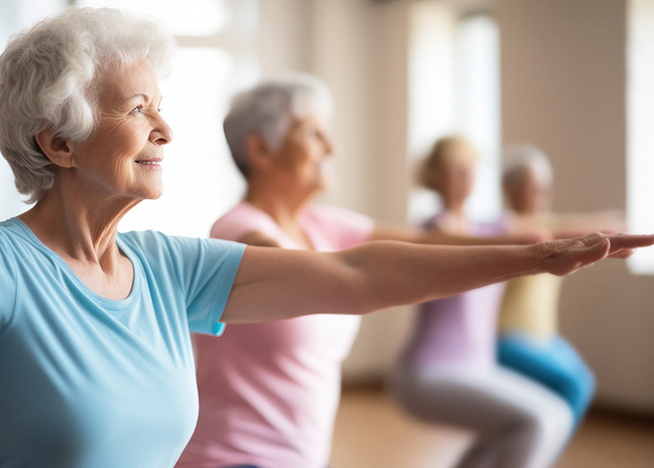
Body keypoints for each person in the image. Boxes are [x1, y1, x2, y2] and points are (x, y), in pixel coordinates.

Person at [0, 7, 654, 468]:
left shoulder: (163, 269)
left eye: (161, 106)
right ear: (60, 142)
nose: (167, 128)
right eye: (139, 108)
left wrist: (537, 254)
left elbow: (356, 274)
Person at [177, 76, 537, 468]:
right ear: (261, 149)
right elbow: (356, 274)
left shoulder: (321, 225)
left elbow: (432, 242)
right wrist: (536, 256)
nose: (332, 148)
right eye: (313, 133)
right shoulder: (237, 233)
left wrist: (546, 249)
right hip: (230, 459)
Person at [390, 137, 579, 468]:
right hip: (430, 372)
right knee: (539, 421)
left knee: (541, 420)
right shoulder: (433, 232)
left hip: (477, 368)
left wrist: (604, 233)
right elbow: (475, 243)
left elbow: (548, 227)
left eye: (472, 169)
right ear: (436, 177)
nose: (469, 177)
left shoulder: (486, 227)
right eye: (459, 170)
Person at [497, 144, 624, 427]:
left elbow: (566, 226)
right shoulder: (502, 227)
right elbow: (558, 232)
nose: (540, 196)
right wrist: (605, 231)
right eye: (532, 188)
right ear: (509, 189)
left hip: (544, 338)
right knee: (574, 385)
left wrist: (615, 226)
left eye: (544, 188)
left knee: (582, 383)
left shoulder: (547, 222)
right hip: (507, 340)